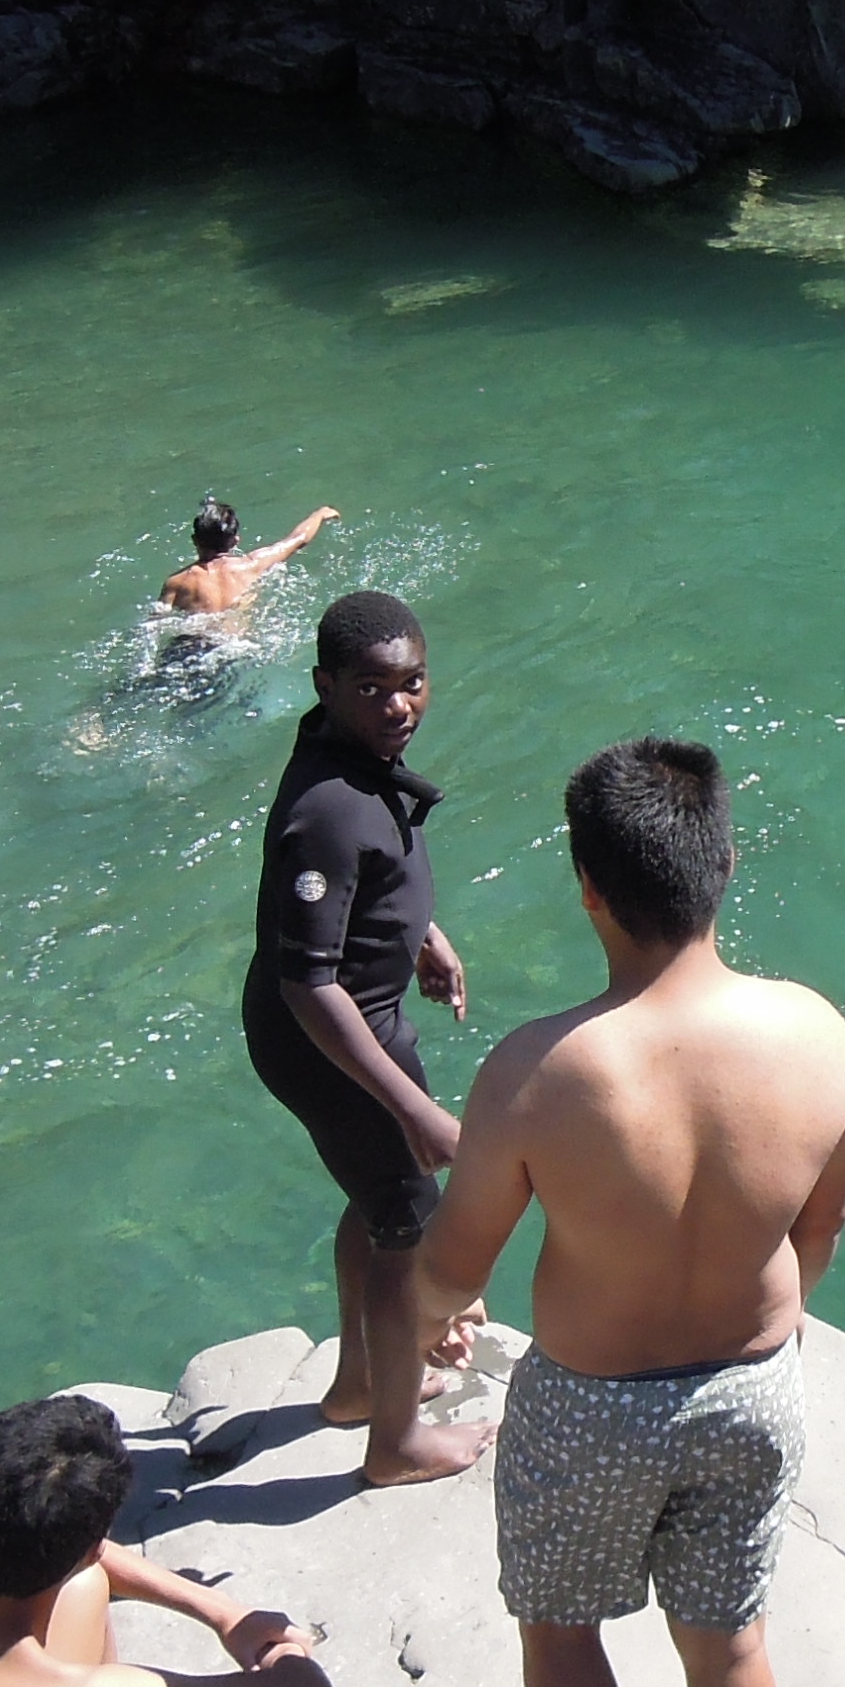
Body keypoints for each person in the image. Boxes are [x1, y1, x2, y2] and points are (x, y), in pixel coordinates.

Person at [409, 737, 845, 1687]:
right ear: (726, 864)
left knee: (561, 1637)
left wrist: (429, 1318)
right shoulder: (820, 1037)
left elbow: (451, 1267)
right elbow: (821, 1230)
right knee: (730, 1645)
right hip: (751, 1390)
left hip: (589, 1405)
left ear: (587, 887)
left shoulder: (536, 1071)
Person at [241, 589, 486, 1486]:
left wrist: (423, 934)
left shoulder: (349, 756)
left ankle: (357, 1386)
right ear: (326, 686)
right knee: (408, 1223)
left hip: (359, 1018)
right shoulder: (327, 810)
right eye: (372, 689)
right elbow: (308, 983)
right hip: (330, 1039)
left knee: (381, 1199)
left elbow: (367, 885)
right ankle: (395, 1441)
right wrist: (411, 1108)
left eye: (412, 683)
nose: (398, 707)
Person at [0, 1395, 334, 1687]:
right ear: (94, 1543)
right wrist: (279, 1651)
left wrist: (224, 1613)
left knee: (86, 1583)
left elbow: (81, 1557)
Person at [162, 499, 336, 617]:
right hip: (230, 647)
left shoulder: (178, 581)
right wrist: (319, 514)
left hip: (188, 647)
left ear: (194, 540)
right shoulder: (252, 565)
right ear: (235, 540)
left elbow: (157, 621)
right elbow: (299, 538)